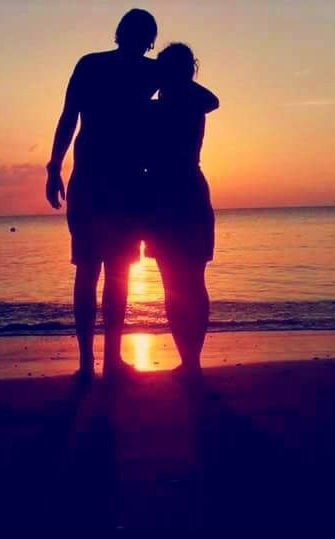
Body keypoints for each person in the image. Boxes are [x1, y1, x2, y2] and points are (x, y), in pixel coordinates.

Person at [46, 9, 159, 382]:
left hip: (116, 181)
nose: (137, 40)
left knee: (105, 271)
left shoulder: (133, 69)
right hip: (107, 181)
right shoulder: (129, 70)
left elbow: (67, 117)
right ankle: (95, 360)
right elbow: (68, 117)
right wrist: (53, 167)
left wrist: (54, 168)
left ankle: (100, 361)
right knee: (100, 270)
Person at [145, 43, 219, 380]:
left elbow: (213, 99)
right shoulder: (190, 102)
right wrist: (176, 77)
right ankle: (190, 361)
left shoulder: (165, 108)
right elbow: (211, 98)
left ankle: (190, 360)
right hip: (177, 192)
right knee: (183, 282)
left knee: (180, 282)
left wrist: (166, 78)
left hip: (172, 192)